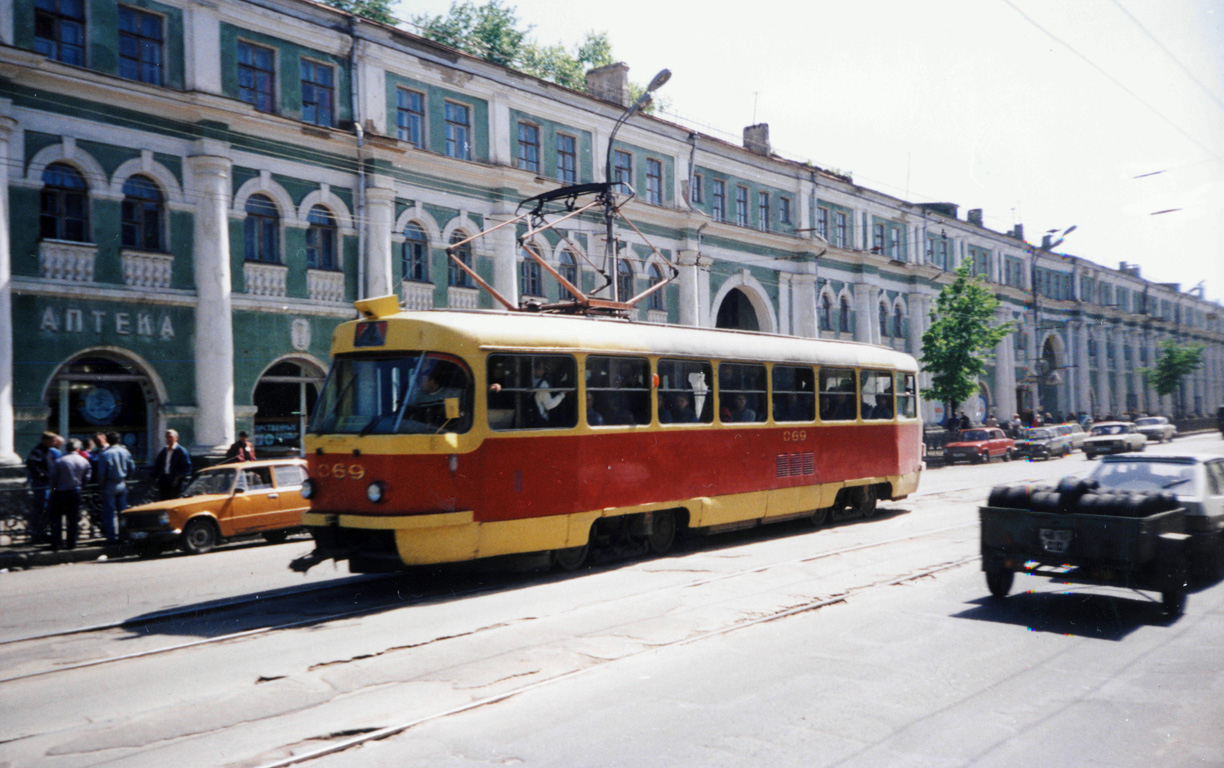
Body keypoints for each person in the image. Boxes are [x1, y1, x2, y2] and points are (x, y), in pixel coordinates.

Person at [48, 439, 91, 551]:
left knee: (57, 519)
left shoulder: (60, 461)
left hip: (60, 491)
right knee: (73, 519)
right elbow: (87, 477)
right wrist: (82, 486)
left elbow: (53, 478)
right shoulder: (83, 461)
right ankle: (72, 543)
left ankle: (56, 543)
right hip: (75, 491)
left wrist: (52, 488)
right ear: (77, 448)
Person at [96, 431, 135, 545]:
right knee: (122, 512)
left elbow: (101, 473)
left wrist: (101, 484)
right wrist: (126, 477)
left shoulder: (104, 454)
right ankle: (123, 535)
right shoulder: (125, 451)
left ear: (107, 440)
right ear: (119, 440)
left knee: (109, 512)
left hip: (109, 483)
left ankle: (111, 537)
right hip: (122, 483)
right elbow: (131, 467)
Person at [25, 432, 62, 544]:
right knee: (42, 508)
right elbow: (31, 463)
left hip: (46, 483)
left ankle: (42, 532)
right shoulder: (38, 451)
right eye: (53, 440)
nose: (55, 443)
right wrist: (40, 474)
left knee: (45, 509)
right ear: (47, 440)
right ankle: (38, 534)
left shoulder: (47, 450)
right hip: (41, 484)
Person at [154, 429, 193, 500]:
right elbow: (158, 465)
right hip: (164, 482)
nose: (168, 439)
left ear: (176, 438)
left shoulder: (181, 451)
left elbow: (187, 468)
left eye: (170, 437)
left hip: (176, 484)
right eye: (166, 437)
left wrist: (177, 478)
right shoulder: (164, 451)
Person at [527, 361, 565, 427]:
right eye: (540, 368)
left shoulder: (528, 381)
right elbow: (549, 405)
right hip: (539, 420)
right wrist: (562, 394)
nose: (542, 371)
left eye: (543, 368)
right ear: (533, 369)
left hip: (528, 419)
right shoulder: (543, 384)